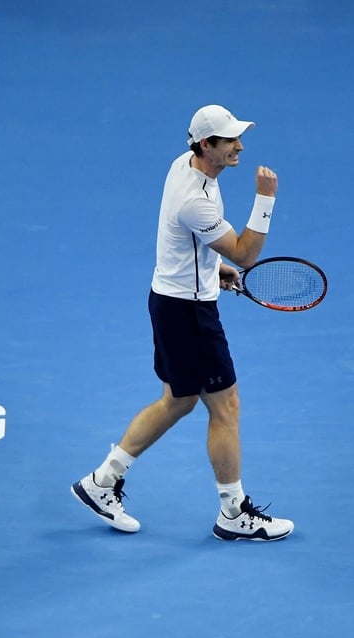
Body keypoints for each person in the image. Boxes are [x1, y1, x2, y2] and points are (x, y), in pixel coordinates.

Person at [71, 104, 294, 541]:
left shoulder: (186, 165)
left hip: (171, 300)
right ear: (205, 144)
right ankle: (233, 513)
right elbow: (246, 254)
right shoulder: (195, 199)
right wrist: (265, 199)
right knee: (225, 407)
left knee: (179, 400)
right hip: (189, 314)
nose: (240, 147)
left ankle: (101, 482)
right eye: (230, 140)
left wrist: (212, 270)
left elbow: (201, 246)